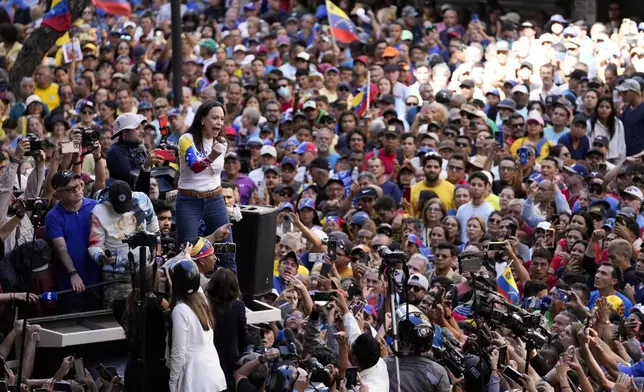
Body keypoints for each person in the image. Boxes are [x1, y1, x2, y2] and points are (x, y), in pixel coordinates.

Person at [176, 100, 235, 270]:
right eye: (215, 118)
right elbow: (195, 166)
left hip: (215, 199)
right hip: (189, 201)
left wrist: (215, 154)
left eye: (222, 119)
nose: (219, 122)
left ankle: (232, 293)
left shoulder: (222, 143)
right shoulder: (186, 139)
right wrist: (212, 157)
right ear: (202, 119)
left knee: (227, 250)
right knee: (188, 252)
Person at [45, 169, 101, 313]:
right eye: (70, 189)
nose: (77, 190)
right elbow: (61, 248)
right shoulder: (53, 216)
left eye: (79, 185)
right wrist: (73, 274)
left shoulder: (96, 206)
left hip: (98, 277)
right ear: (58, 194)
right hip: (70, 282)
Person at [169, 259, 227, 392]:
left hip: (196, 380)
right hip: (213, 374)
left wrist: (172, 383)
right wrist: (188, 258)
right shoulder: (202, 300)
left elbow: (179, 353)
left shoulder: (181, 310)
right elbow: (194, 281)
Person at [205, 268, 247, 388]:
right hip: (230, 359)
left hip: (210, 357)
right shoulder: (238, 306)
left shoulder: (205, 306)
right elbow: (242, 335)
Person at [106, 112, 147, 184]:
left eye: (141, 128)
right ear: (125, 132)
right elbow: (130, 179)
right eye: (137, 128)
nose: (142, 131)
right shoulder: (115, 151)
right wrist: (146, 166)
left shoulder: (138, 148)